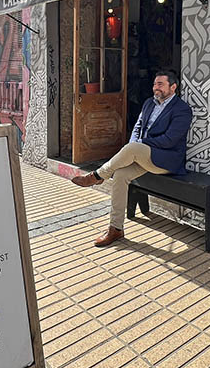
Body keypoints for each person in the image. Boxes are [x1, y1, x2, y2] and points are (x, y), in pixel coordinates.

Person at [71, 71, 193, 247]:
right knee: (120, 175)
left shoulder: (182, 109)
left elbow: (170, 140)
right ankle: (116, 228)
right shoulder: (148, 104)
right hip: (144, 155)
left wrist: (139, 145)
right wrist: (135, 144)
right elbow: (137, 127)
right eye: (154, 84)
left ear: (173, 87)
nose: (155, 87)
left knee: (133, 148)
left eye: (160, 84)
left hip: (166, 159)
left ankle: (97, 176)